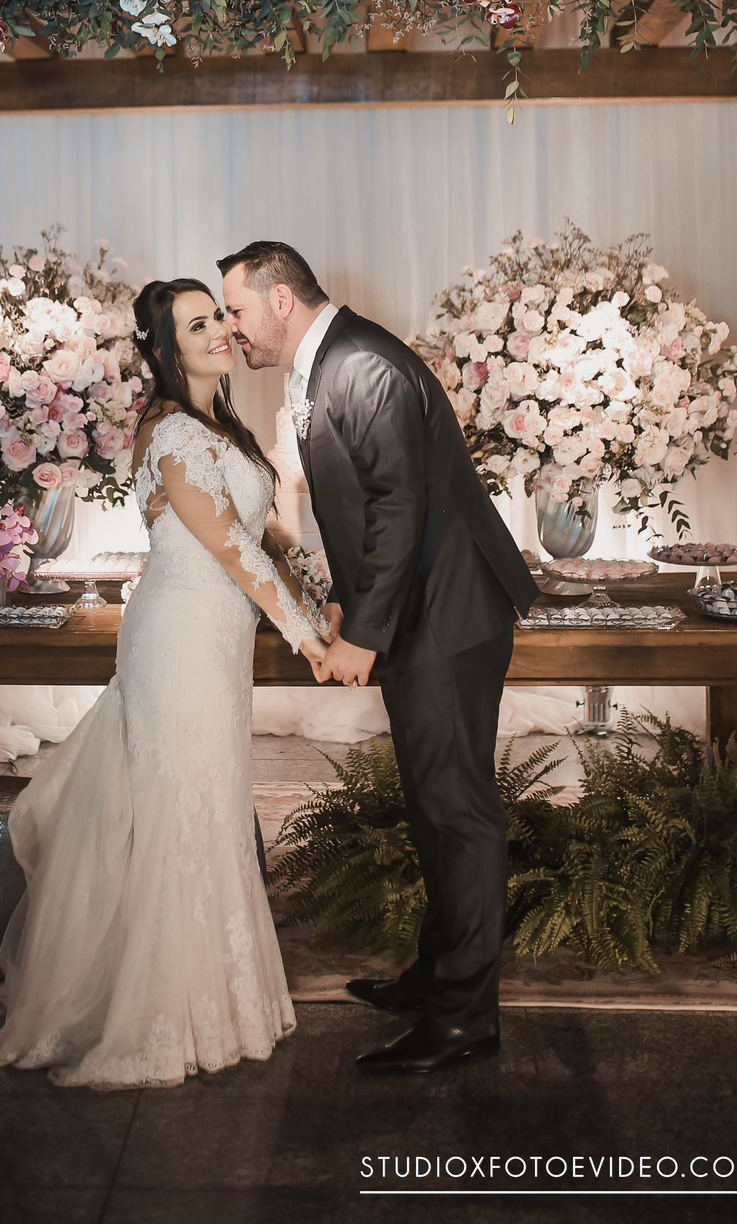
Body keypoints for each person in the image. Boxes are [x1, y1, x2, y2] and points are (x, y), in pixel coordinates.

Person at [0, 277, 329, 1088]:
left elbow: (273, 535)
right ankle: (169, 1017)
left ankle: (222, 1004)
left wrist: (296, 495)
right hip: (178, 644)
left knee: (213, 805)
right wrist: (308, 636)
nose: (220, 330)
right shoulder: (173, 430)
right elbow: (233, 550)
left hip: (217, 646)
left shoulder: (223, 427)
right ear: (164, 349)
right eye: (196, 324)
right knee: (182, 808)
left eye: (218, 315)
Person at [220, 241, 539, 1075]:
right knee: (434, 808)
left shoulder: (361, 366)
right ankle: (438, 977)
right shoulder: (336, 361)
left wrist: (363, 634)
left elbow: (400, 507)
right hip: (422, 612)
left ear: (281, 298)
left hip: (447, 617)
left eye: (237, 310)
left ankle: (465, 1021)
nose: (232, 328)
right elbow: (367, 504)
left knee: (458, 814)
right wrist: (344, 602)